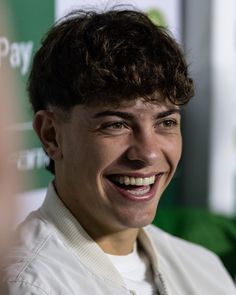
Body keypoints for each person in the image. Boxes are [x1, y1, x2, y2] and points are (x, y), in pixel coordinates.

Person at [3, 7, 236, 295]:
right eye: (116, 125)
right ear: (51, 135)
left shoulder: (204, 268)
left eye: (165, 122)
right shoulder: (29, 285)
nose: (148, 153)